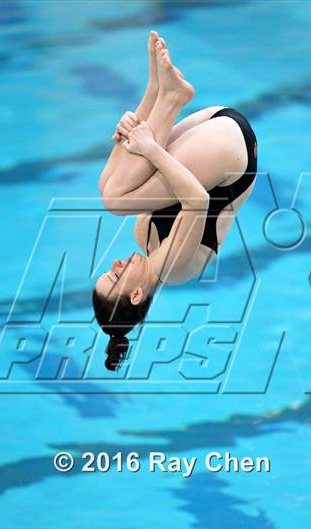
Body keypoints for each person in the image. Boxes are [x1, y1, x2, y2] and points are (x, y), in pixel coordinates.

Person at [93, 31, 258, 371]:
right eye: (114, 277)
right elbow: (196, 199)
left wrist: (128, 137)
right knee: (113, 199)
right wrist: (147, 147)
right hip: (232, 151)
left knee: (109, 186)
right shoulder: (176, 268)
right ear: (136, 295)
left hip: (214, 128)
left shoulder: (144, 239)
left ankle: (158, 91)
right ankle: (167, 97)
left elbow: (144, 173)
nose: (114, 265)